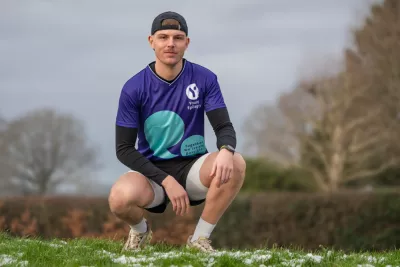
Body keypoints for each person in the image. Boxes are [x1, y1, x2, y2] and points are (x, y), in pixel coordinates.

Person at [109, 11, 246, 253]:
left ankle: (199, 239)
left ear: (187, 43)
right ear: (151, 41)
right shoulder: (133, 88)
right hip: (152, 175)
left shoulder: (204, 78)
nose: (170, 44)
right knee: (119, 198)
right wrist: (166, 180)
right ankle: (140, 231)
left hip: (194, 169)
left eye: (178, 37)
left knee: (234, 161)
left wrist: (226, 149)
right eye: (163, 37)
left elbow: (224, 127)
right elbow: (123, 149)